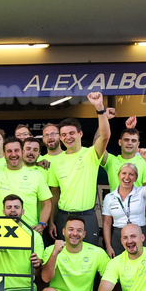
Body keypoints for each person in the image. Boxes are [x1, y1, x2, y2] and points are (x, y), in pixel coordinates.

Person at [45, 93, 112, 244]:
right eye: (64, 135)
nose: (68, 137)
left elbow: (105, 136)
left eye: (71, 133)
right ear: (60, 138)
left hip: (87, 215)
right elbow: (54, 194)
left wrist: (100, 108)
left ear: (80, 134)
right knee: (65, 258)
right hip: (63, 217)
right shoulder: (56, 161)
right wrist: (51, 221)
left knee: (90, 258)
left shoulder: (91, 153)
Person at [0, 136, 52, 233]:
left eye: (16, 150)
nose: (13, 154)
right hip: (1, 230)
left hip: (28, 230)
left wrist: (42, 224)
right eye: (9, 151)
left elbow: (47, 203)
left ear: (22, 152)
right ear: (4, 154)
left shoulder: (37, 175)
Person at [100, 160, 146, 258]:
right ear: (118, 176)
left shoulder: (141, 192)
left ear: (135, 178)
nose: (127, 177)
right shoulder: (109, 197)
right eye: (124, 173)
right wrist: (108, 246)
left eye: (131, 174)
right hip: (118, 236)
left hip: (139, 232)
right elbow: (107, 223)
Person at [100, 117, 146, 188]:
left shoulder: (144, 162)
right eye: (126, 140)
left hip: (137, 199)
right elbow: (98, 144)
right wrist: (104, 118)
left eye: (133, 141)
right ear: (120, 142)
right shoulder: (111, 160)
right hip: (115, 199)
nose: (130, 143)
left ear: (138, 144)